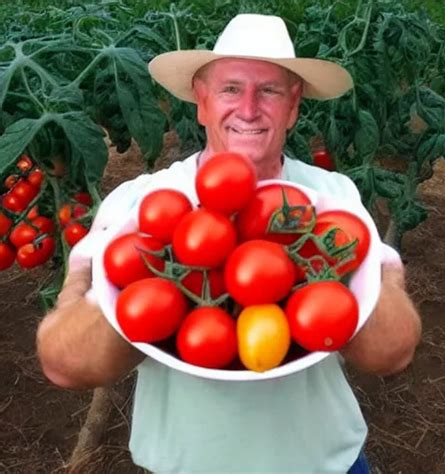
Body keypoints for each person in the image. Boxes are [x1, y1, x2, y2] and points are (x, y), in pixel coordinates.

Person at [36, 14, 421, 473]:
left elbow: (391, 354)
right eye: (230, 89)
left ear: (294, 106)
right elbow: (65, 367)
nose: (249, 108)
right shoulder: (141, 205)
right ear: (201, 102)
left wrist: (385, 273)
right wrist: (94, 283)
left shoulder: (330, 199)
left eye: (270, 91)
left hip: (324, 463)